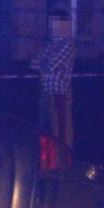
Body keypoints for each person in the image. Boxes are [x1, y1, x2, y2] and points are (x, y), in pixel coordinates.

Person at [33, 12, 76, 149]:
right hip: (46, 90)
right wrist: (43, 64)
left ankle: (62, 160)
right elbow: (34, 63)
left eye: (56, 23)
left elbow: (51, 64)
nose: (53, 26)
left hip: (59, 91)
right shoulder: (50, 44)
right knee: (46, 128)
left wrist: (43, 64)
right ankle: (48, 161)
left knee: (60, 128)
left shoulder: (68, 44)